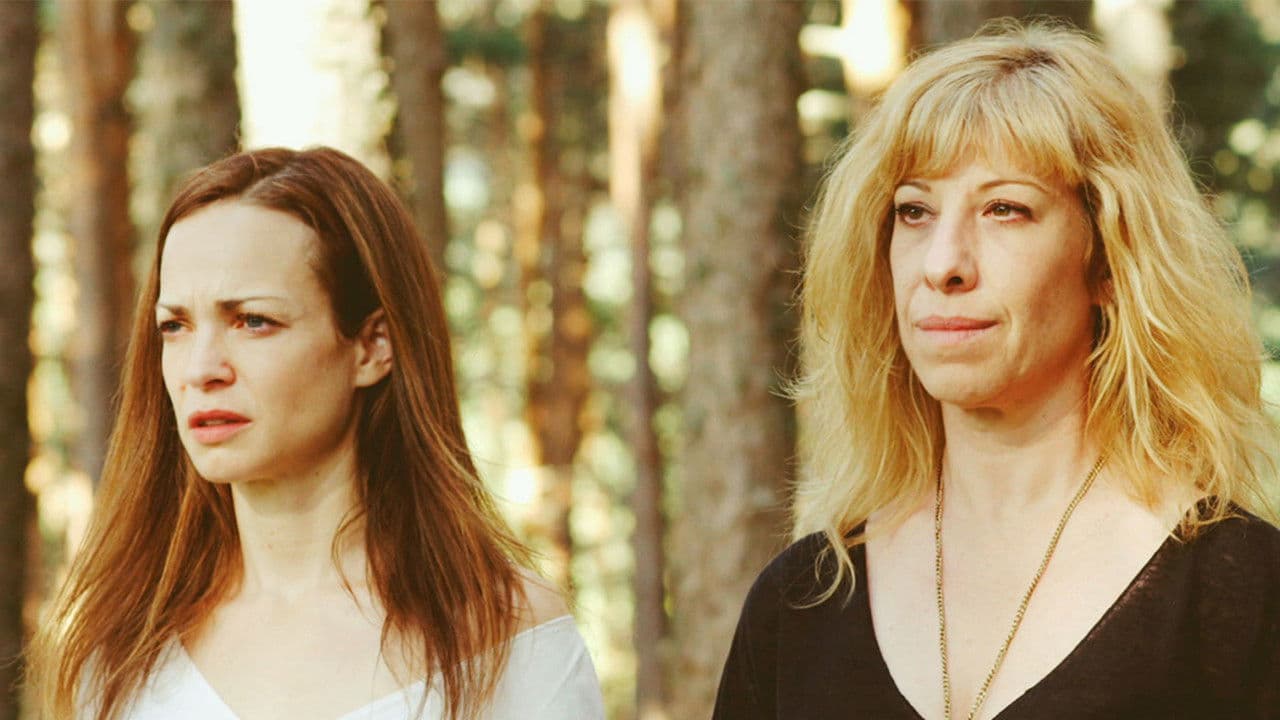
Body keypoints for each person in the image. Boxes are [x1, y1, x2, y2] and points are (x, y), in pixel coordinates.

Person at [713, 21, 1280, 720]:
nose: (942, 263)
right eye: (914, 211)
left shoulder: (1240, 595)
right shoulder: (800, 602)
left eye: (1004, 209)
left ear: (1109, 260)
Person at [29, 147, 605, 720]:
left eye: (253, 321)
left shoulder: (505, 639)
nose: (201, 369)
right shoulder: (122, 651)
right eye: (175, 326)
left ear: (372, 346)